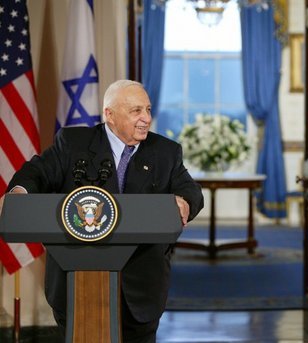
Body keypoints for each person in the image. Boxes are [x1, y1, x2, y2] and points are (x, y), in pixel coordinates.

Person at [0, 79, 204, 342]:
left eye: (148, 110)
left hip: (141, 287)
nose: (146, 119)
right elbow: (36, 172)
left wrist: (185, 200)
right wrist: (19, 193)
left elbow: (191, 190)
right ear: (109, 114)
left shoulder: (165, 151)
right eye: (136, 111)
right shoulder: (74, 143)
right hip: (76, 285)